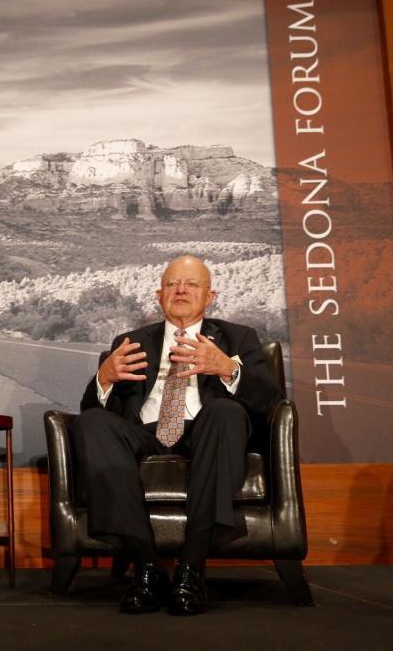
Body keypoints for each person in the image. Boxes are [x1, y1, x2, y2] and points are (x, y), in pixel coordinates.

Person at [72, 255, 281, 615]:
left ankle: (191, 569)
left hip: (207, 430)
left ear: (209, 296)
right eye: (172, 284)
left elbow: (272, 401)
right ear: (159, 295)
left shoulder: (238, 338)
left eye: (192, 284)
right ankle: (147, 568)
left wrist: (228, 369)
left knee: (225, 412)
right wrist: (103, 378)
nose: (181, 289)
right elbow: (93, 407)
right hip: (146, 434)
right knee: (91, 423)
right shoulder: (130, 342)